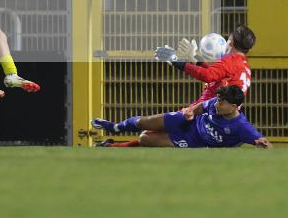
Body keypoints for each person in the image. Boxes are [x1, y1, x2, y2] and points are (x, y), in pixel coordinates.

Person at [106, 25, 256, 148]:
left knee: (149, 133)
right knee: (150, 134)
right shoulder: (243, 66)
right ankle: (115, 144)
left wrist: (176, 61)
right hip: (216, 113)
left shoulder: (229, 61)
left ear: (230, 42)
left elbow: (209, 75)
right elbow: (216, 78)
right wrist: (195, 58)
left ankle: (114, 133)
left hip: (207, 114)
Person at [92, 85, 272, 149]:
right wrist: (192, 111)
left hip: (193, 141)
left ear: (233, 107)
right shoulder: (215, 105)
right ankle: (114, 127)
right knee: (143, 122)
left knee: (145, 138)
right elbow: (203, 105)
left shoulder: (241, 126)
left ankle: (112, 146)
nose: (217, 104)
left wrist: (263, 144)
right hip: (187, 122)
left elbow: (264, 142)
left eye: (222, 102)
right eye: (218, 100)